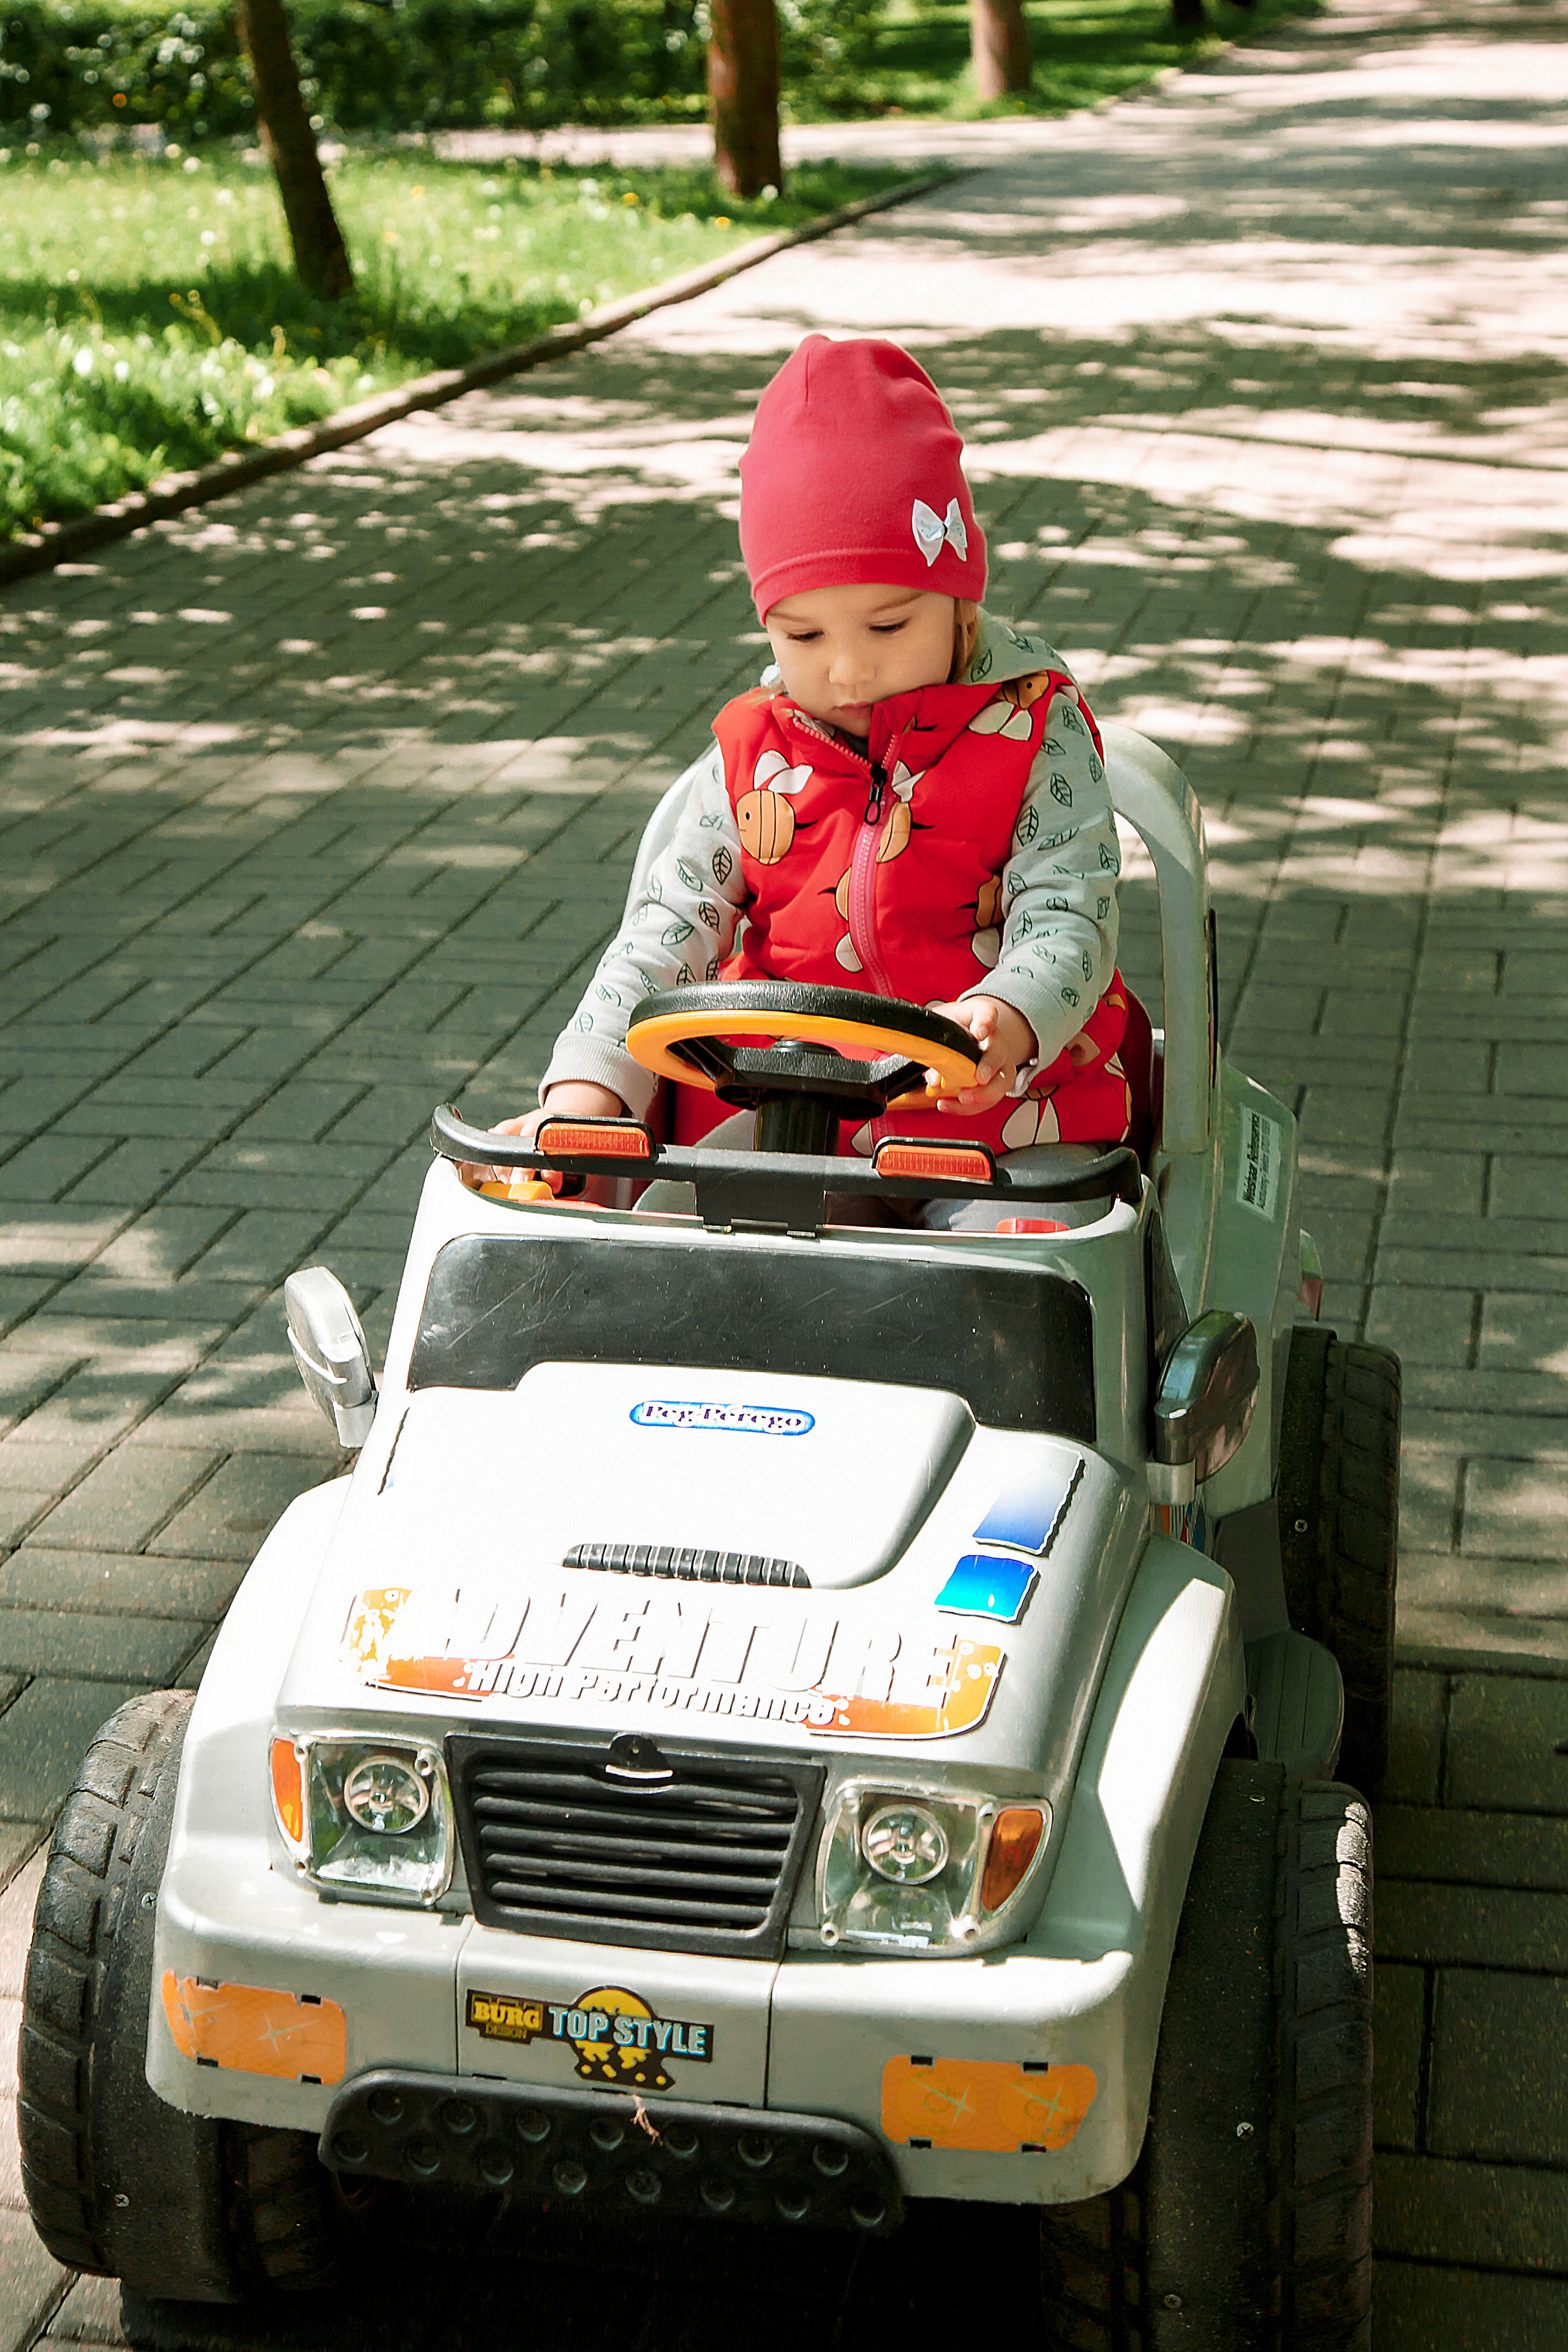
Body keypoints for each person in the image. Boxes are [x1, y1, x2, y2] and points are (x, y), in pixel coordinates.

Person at [462, 335, 1130, 1201]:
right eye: (804, 636)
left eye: (888, 627)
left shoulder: (1036, 730)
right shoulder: (753, 753)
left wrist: (1007, 1018)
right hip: (789, 1114)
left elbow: (1070, 915)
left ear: (962, 603)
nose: (847, 673)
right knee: (661, 1232)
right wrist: (588, 1089)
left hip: (1001, 1123)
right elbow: (667, 930)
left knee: (1032, 1265)